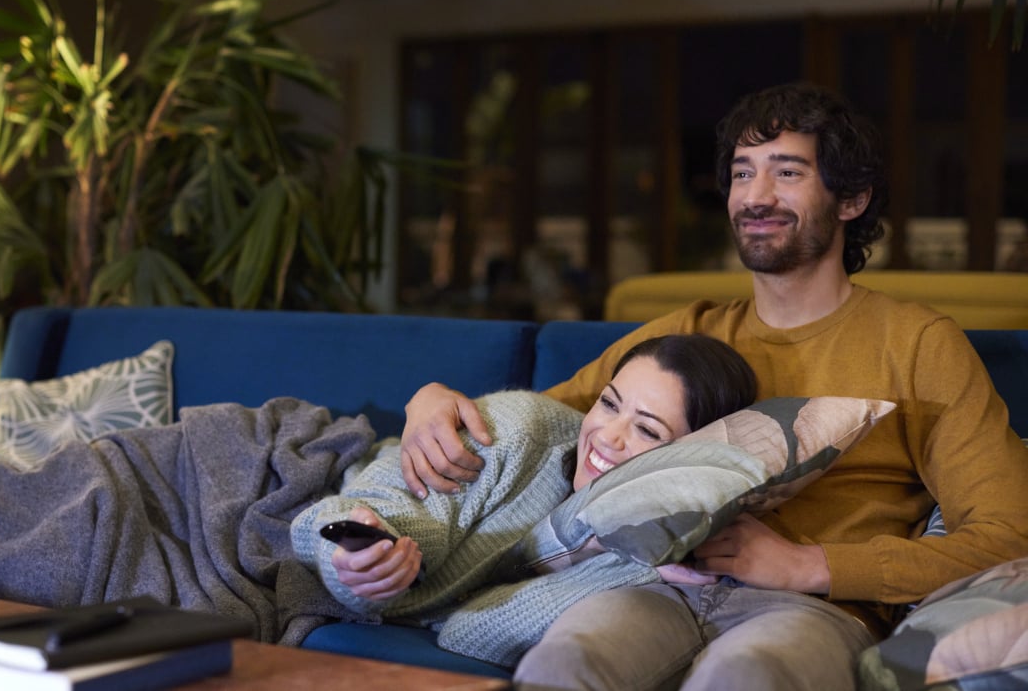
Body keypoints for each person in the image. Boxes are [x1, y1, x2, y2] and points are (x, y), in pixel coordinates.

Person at [397, 81, 1028, 690]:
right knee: (565, 660)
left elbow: (1007, 537)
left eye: (787, 172)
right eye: (742, 171)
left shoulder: (918, 344)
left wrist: (812, 567)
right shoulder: (691, 331)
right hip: (655, 590)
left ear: (851, 200)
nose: (755, 195)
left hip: (813, 609)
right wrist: (433, 400)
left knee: (746, 675)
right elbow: (547, 422)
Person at [291, 334, 757, 666]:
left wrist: (634, 560)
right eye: (610, 404)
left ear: (690, 462)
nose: (608, 438)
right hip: (297, 471)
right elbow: (346, 514)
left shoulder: (651, 552)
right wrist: (353, 560)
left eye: (648, 430)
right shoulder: (516, 431)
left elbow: (472, 632)